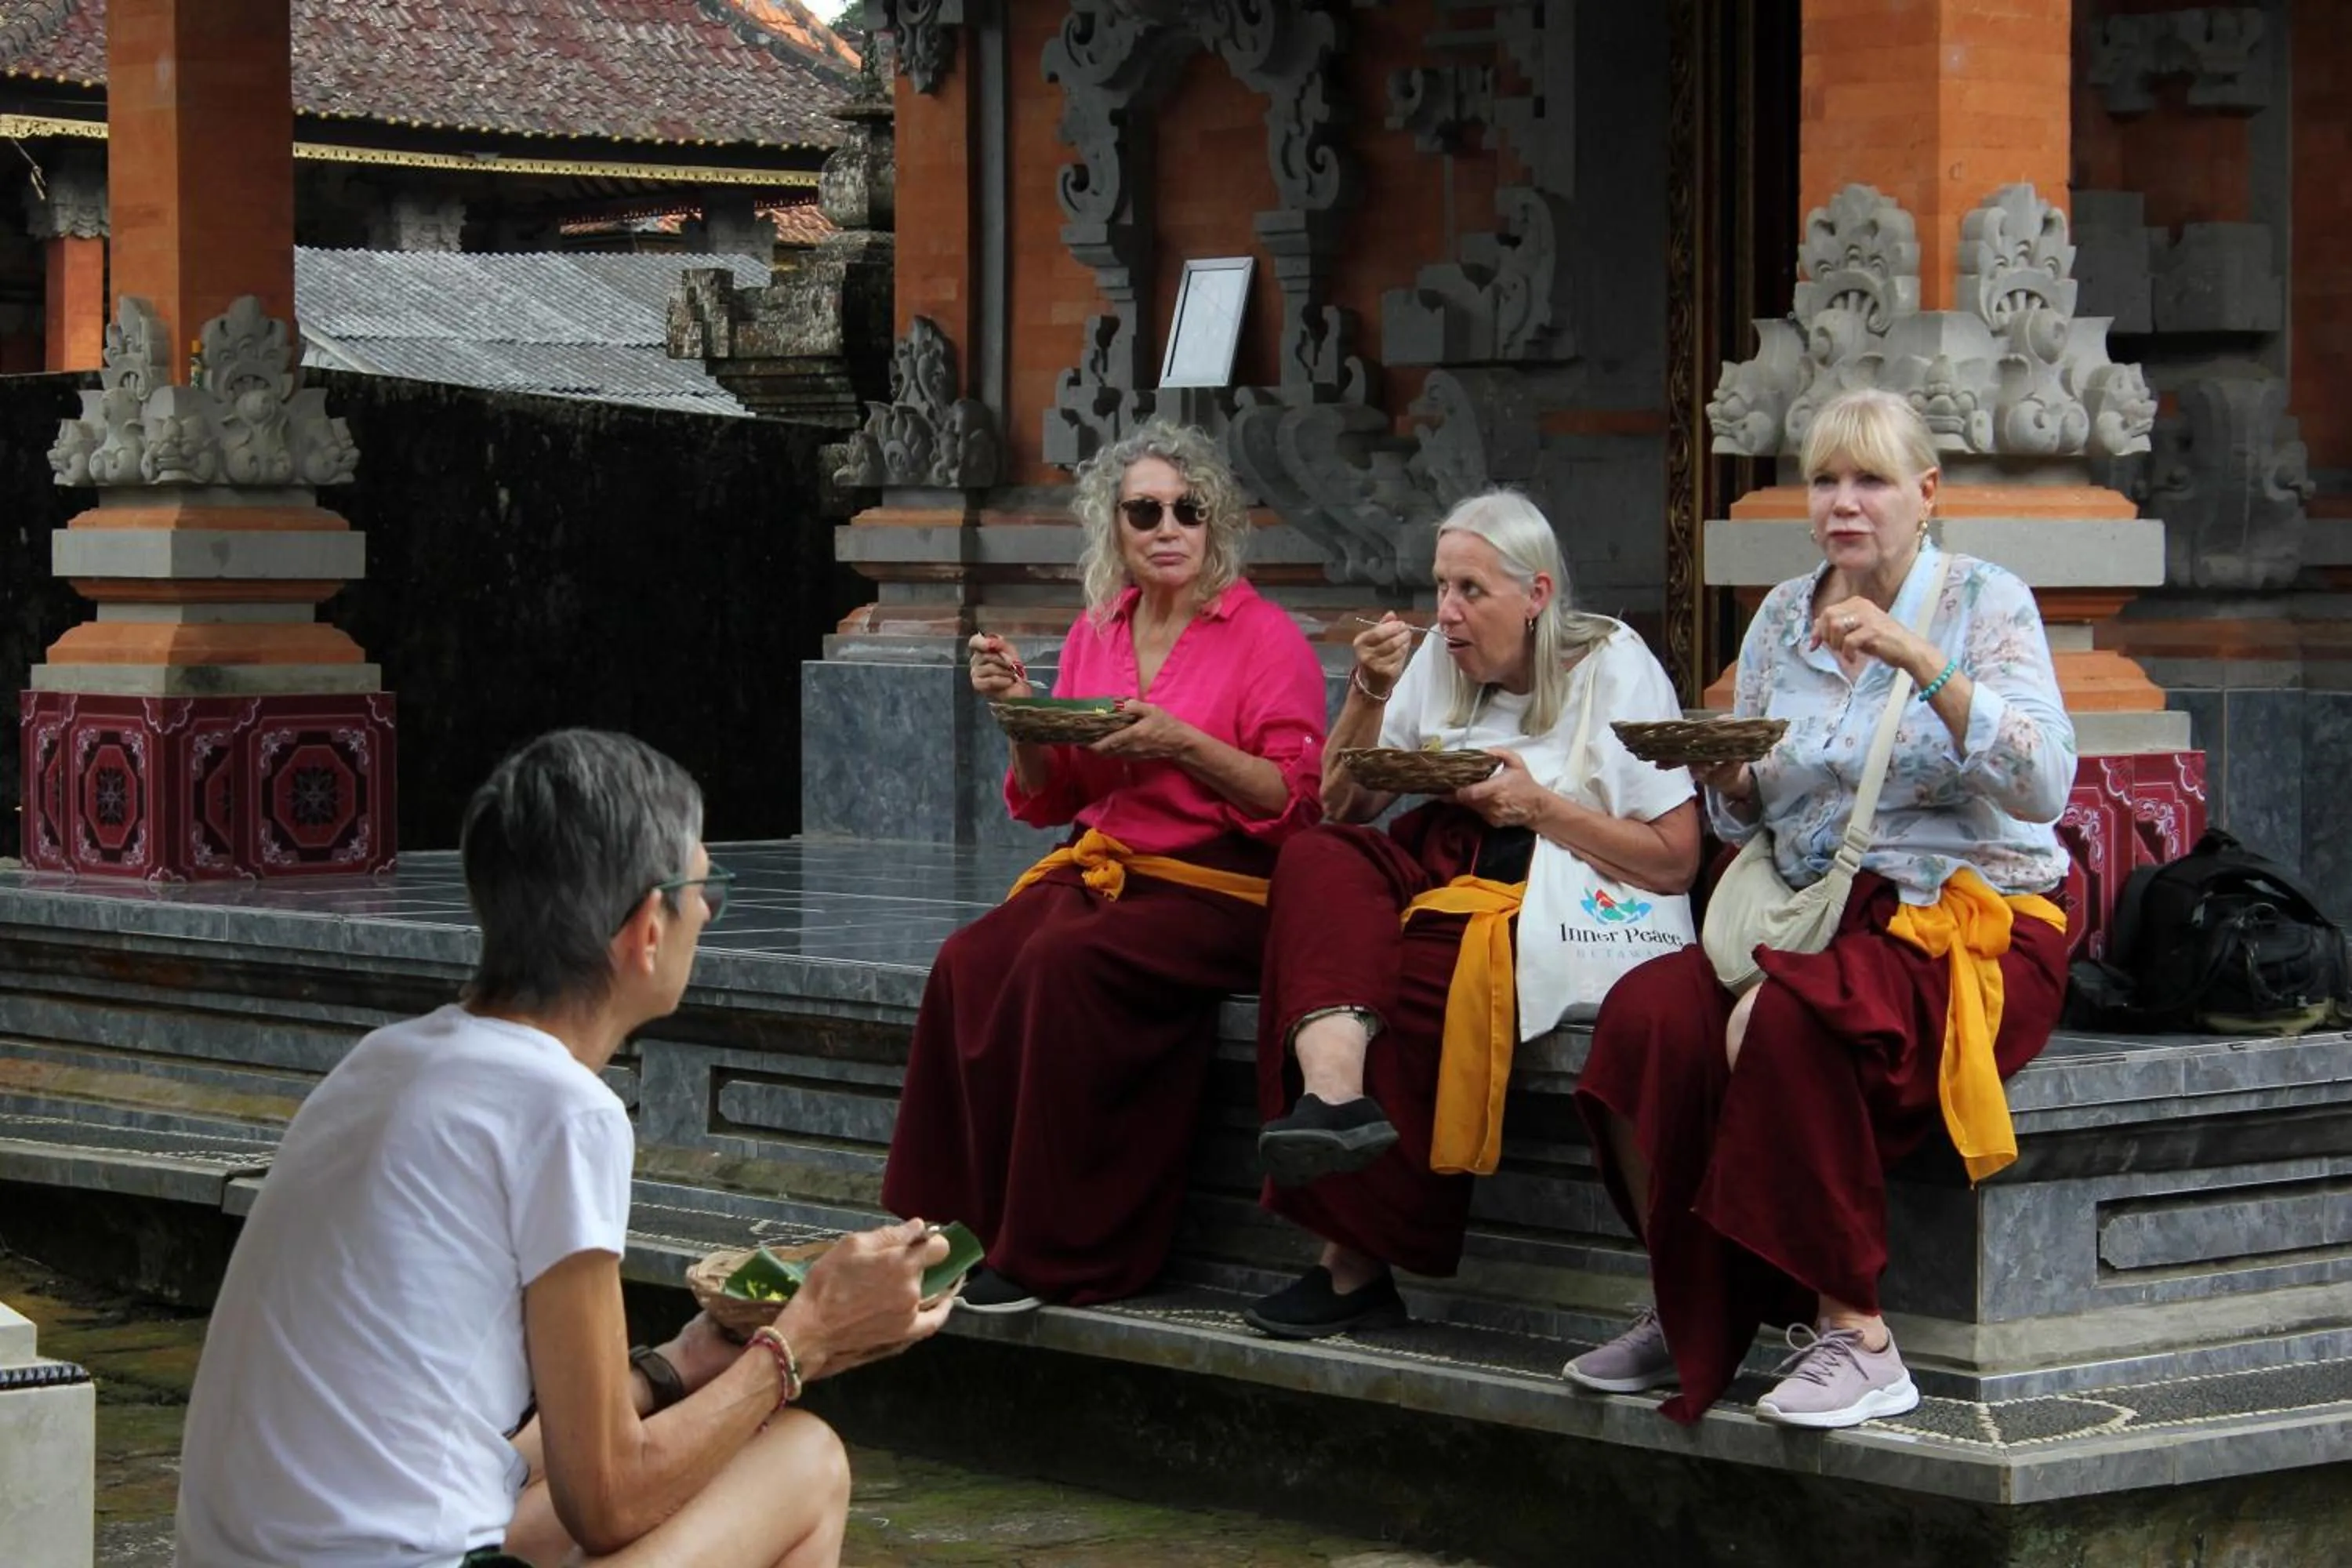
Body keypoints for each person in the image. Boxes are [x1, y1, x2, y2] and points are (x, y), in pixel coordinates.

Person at [176, 730, 954, 1568]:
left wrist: (684, 1364)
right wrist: (803, 1343)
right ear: (647, 928)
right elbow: (607, 1502)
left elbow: (460, 1443)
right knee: (802, 1460)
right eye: (705, 890)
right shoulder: (564, 1109)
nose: (707, 915)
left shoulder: (384, 1059)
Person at [1564, 387, 2074, 1429]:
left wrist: (1920, 662)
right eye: (1827, 479)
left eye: (1872, 480)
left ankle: (1861, 1338)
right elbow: (1756, 795)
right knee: (1644, 1021)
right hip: (1808, 911)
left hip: (1964, 919)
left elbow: (2045, 784)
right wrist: (1726, 775)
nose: (1845, 502)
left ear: (1925, 494)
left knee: (1787, 1016)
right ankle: (1693, 1301)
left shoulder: (1985, 601)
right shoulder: (1782, 618)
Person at [880, 419, 1329, 1313]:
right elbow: (1055, 794)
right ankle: (948, 1228)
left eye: (1187, 509)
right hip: (1108, 866)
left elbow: (1296, 798)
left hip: (1224, 882)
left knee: (1060, 964)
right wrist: (1019, 712)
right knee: (967, 960)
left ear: (1215, 522)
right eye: (1145, 511)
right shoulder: (1101, 629)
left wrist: (1184, 745)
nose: (1169, 527)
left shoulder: (1265, 636)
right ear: (1114, 528)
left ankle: (1059, 1253)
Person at [1243, 488, 1702, 1339]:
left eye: (1470, 591)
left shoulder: (1614, 662)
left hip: (1550, 878)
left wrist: (1537, 806)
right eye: (1440, 586)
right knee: (1315, 862)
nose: (1446, 613)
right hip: (1438, 856)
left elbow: (1676, 856)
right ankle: (1334, 1093)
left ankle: (1352, 1265)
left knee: (1413, 966)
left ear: (1536, 595)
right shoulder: (1435, 658)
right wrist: (1369, 693)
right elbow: (1343, 806)